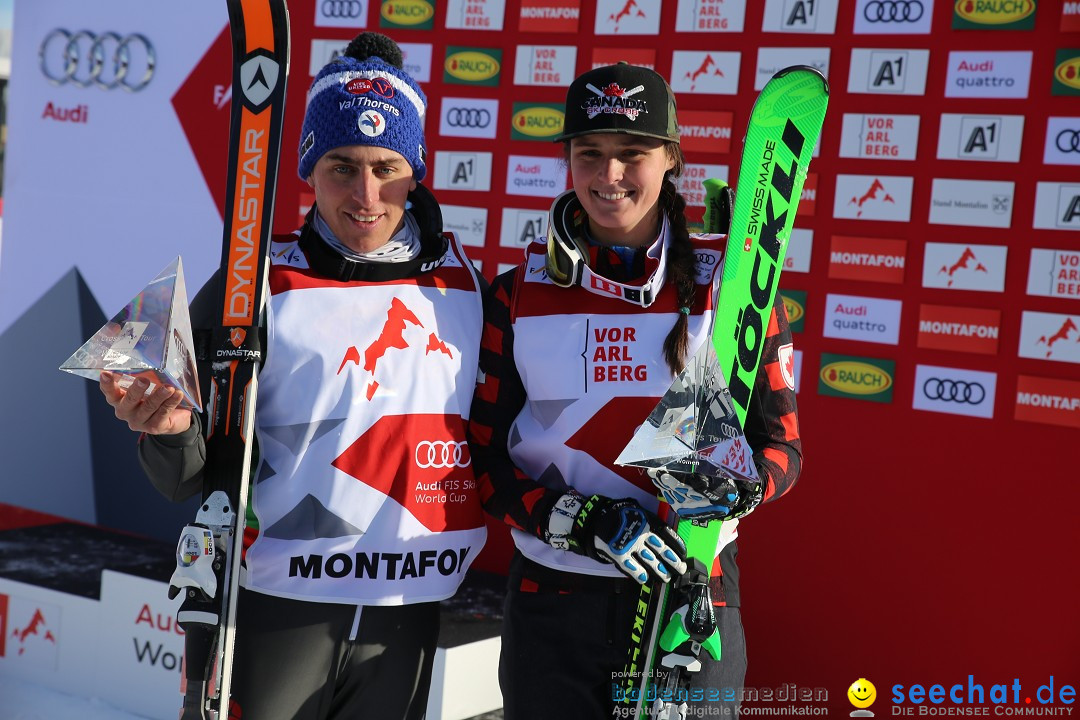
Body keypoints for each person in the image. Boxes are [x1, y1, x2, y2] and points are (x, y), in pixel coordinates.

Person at [99, 33, 486, 720]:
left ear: (415, 171)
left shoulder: (468, 286)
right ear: (309, 166)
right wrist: (169, 430)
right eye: (342, 166)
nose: (365, 194)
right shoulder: (253, 283)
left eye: (385, 166)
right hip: (280, 610)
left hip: (409, 610)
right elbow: (185, 475)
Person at [467, 62, 803, 718]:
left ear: (671, 158)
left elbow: (784, 446)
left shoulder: (730, 288)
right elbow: (485, 464)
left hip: (694, 596)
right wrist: (580, 519)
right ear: (567, 160)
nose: (609, 176)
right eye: (589, 154)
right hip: (555, 600)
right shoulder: (517, 294)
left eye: (632, 154)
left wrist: (744, 488)